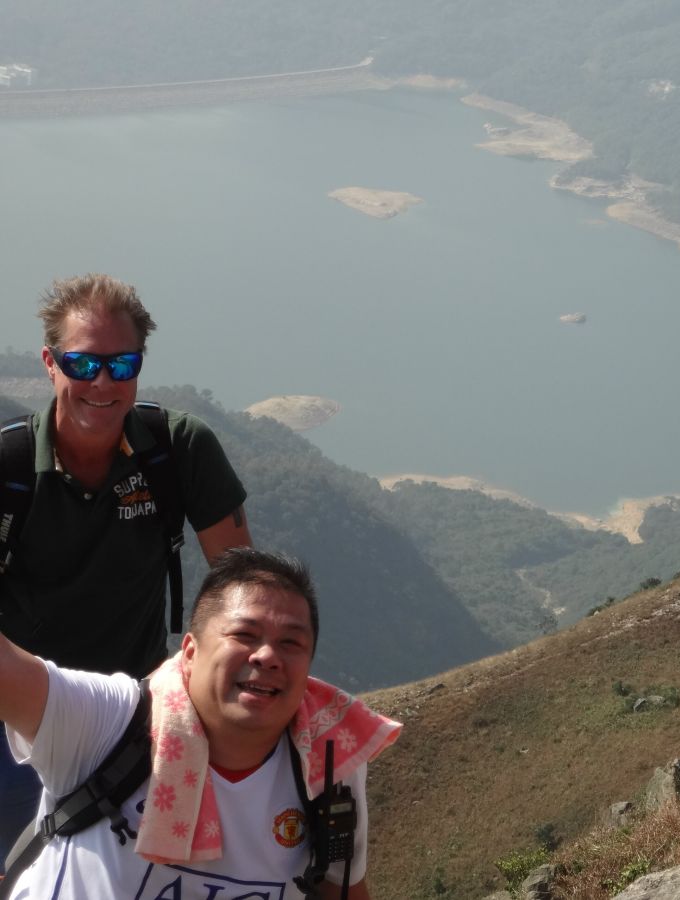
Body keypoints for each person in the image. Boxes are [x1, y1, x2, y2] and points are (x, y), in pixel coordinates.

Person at [0, 273, 252, 868]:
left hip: (134, 715)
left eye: (122, 364)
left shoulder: (177, 450)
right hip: (17, 719)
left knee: (135, 876)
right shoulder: (8, 467)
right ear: (50, 363)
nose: (104, 382)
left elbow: (243, 593)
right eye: (83, 364)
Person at [0, 547, 400, 898]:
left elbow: (340, 890)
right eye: (245, 634)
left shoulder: (327, 762)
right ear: (190, 652)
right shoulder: (111, 722)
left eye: (291, 643)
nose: (267, 656)